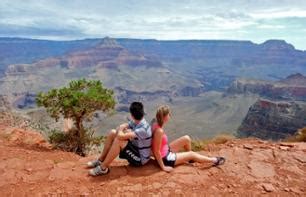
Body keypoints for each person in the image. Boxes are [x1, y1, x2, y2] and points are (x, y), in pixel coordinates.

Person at [152, 105, 225, 172]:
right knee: (192, 154)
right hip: (166, 159)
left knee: (186, 138)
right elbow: (156, 151)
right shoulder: (159, 131)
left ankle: (190, 158)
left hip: (166, 150)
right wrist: (163, 167)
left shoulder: (155, 124)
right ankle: (214, 160)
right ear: (164, 117)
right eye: (168, 114)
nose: (170, 116)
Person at [87, 102, 152, 176]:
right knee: (112, 132)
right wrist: (123, 131)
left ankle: (103, 168)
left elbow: (120, 135)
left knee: (119, 141)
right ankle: (100, 160)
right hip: (135, 149)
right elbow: (122, 126)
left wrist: (123, 131)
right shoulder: (137, 122)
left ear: (132, 115)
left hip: (140, 159)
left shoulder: (143, 129)